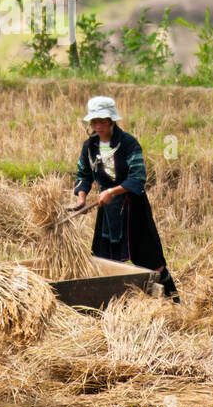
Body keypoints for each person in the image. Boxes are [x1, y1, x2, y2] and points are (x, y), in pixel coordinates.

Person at [66, 95, 179, 299]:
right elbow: (83, 174)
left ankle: (172, 300)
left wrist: (111, 192)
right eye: (94, 122)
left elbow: (138, 177)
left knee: (151, 260)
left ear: (111, 121)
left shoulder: (128, 144)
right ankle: (109, 303)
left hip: (133, 209)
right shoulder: (90, 146)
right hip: (108, 212)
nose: (98, 126)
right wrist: (81, 198)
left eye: (102, 121)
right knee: (103, 261)